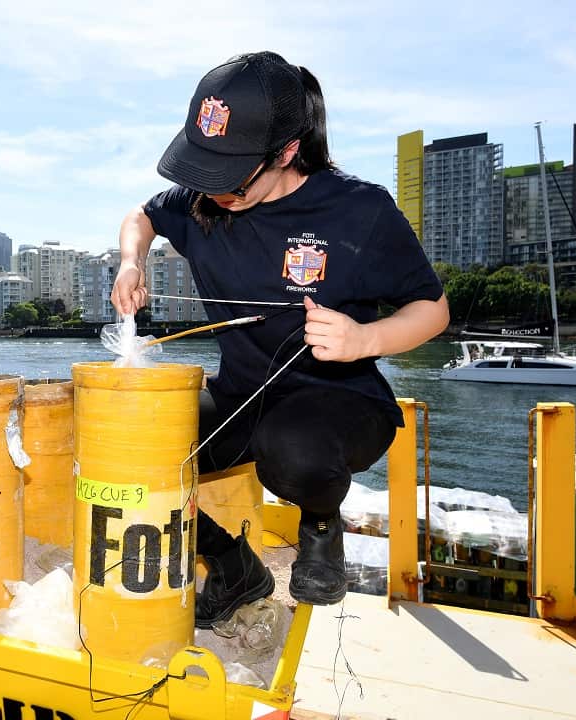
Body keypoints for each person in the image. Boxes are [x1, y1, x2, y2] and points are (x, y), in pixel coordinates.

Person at [111, 52, 449, 621]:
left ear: (287, 151)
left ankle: (321, 524)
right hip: (240, 394)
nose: (214, 191)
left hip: (337, 403)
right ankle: (232, 564)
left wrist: (362, 338)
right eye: (204, 171)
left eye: (229, 176)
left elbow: (433, 311)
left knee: (289, 451)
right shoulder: (199, 202)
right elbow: (141, 217)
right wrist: (130, 262)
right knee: (123, 445)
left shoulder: (358, 209)